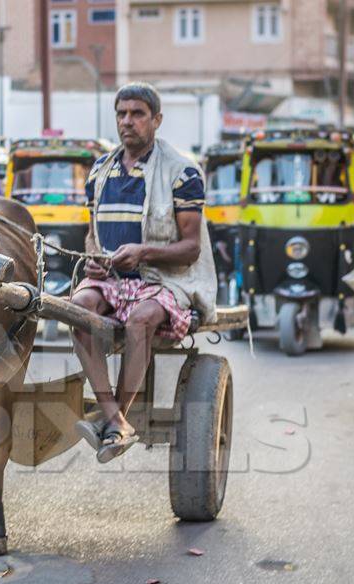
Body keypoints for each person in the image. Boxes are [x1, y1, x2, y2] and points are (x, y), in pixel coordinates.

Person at [71, 83, 217, 462]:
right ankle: (116, 419)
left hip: (166, 281)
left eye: (137, 114)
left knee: (140, 321)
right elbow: (92, 235)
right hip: (112, 281)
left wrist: (144, 253)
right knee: (77, 308)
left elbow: (191, 248)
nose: (127, 121)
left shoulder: (183, 172)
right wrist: (93, 260)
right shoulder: (100, 171)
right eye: (121, 114)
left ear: (157, 120)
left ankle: (112, 422)